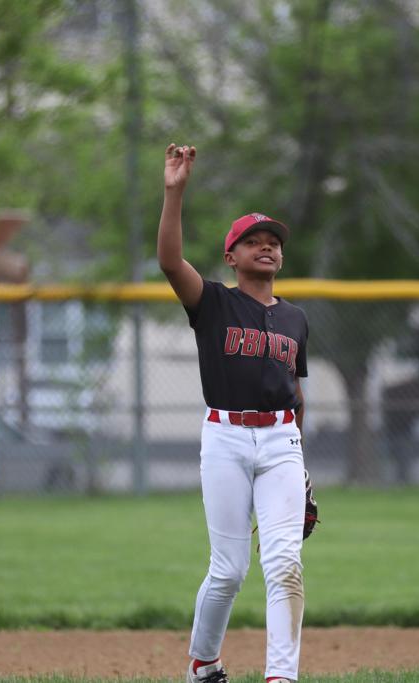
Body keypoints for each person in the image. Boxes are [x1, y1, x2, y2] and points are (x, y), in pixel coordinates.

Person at [157, 143, 310, 683]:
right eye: (253, 240)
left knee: (285, 564)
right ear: (231, 256)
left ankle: (280, 677)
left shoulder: (295, 319)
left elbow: (295, 392)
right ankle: (203, 662)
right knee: (228, 570)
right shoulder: (214, 303)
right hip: (225, 438)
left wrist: (301, 466)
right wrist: (175, 192)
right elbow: (169, 261)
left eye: (273, 242)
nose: (266, 246)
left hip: (282, 443)